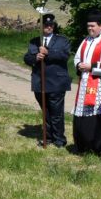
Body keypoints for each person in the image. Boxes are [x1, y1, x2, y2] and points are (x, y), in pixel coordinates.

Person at [71, 10, 101, 155]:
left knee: (98, 114)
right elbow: (77, 57)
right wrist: (79, 65)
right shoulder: (86, 40)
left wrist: (91, 67)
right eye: (88, 26)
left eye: (92, 26)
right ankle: (83, 145)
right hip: (85, 82)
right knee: (82, 112)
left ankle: (99, 146)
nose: (90, 29)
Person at [24, 13, 71, 148]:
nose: (49, 27)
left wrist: (48, 53)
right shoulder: (34, 41)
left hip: (56, 82)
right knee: (46, 112)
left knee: (56, 112)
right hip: (40, 81)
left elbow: (64, 55)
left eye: (51, 25)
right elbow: (27, 58)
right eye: (46, 25)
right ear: (41, 26)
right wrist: (35, 58)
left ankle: (59, 139)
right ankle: (48, 137)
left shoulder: (62, 40)